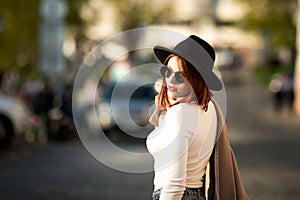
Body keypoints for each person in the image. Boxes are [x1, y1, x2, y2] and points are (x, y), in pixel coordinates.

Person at [147, 35, 248, 200]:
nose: (170, 80)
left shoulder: (180, 114)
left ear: (196, 80)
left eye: (180, 76)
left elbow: (175, 184)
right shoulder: (210, 108)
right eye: (167, 71)